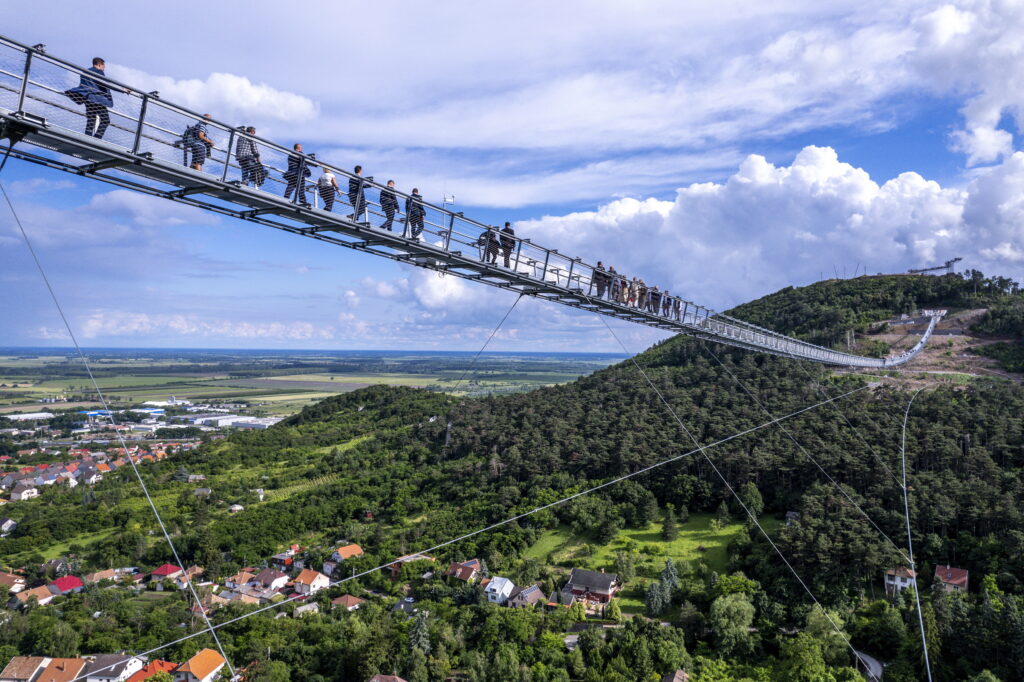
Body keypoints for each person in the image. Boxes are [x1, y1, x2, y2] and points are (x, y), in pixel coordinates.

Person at [64, 57, 125, 139]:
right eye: (104, 67)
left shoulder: (85, 72)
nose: (104, 69)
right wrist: (123, 90)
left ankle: (87, 138)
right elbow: (106, 84)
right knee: (105, 120)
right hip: (98, 99)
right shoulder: (98, 72)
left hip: (87, 98)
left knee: (91, 119)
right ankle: (96, 138)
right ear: (99, 65)